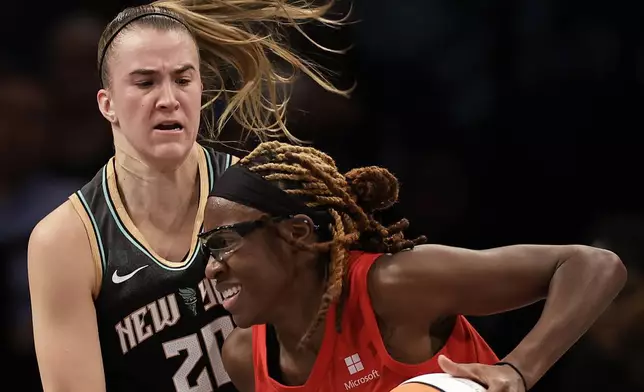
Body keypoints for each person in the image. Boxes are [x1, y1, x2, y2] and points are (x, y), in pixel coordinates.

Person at [27, 1, 348, 391]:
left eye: (182, 80)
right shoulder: (65, 241)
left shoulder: (260, 185)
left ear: (200, 89)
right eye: (145, 83)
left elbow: (353, 312)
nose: (168, 99)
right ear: (107, 104)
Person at [199, 141, 627, 392]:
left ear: (297, 233)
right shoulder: (242, 359)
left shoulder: (393, 285)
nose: (211, 270)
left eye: (222, 243)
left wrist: (518, 369)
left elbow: (592, 264)